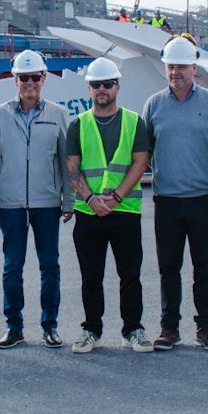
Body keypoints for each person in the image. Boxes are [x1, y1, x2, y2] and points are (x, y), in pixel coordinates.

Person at [141, 35, 208, 351]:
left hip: (203, 200)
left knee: (204, 268)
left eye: (181, 66)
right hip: (166, 201)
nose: (175, 72)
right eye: (170, 66)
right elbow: (144, 152)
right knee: (168, 267)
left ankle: (206, 328)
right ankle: (169, 328)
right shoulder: (154, 105)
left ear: (194, 68)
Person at [0, 50, 72, 349]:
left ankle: (50, 326)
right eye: (24, 77)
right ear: (15, 80)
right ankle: (14, 326)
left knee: (50, 266)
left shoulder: (57, 114)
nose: (29, 82)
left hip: (47, 203)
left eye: (35, 77)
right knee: (12, 267)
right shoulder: (0, 115)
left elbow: (66, 163)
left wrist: (68, 201)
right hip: (11, 204)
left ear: (44, 79)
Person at [65, 56, 153, 353]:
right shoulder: (78, 125)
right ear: (89, 88)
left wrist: (115, 198)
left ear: (118, 86)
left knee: (130, 275)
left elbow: (140, 163)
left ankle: (133, 329)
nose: (102, 89)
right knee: (91, 277)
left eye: (107, 83)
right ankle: (92, 329)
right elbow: (72, 167)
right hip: (88, 213)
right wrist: (91, 199)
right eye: (96, 84)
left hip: (124, 211)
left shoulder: (134, 122)